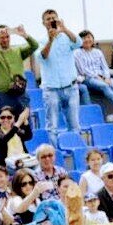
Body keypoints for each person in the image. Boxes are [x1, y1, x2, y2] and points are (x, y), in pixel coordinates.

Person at [36, 9, 81, 138]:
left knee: (75, 125)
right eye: (48, 19)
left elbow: (78, 43)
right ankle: (54, 155)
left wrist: (64, 29)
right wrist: (50, 40)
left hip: (71, 87)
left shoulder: (66, 36)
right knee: (53, 127)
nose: (51, 21)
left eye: (53, 18)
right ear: (43, 23)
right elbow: (42, 56)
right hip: (51, 90)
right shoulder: (41, 41)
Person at [0, 24, 39, 116]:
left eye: (7, 37)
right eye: (2, 37)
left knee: (25, 125)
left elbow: (34, 46)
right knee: (5, 126)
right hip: (3, 95)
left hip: (21, 94)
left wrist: (24, 35)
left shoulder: (18, 50)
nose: (5, 40)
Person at [74, 30, 113, 109]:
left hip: (103, 77)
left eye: (89, 37)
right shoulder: (77, 53)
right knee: (104, 85)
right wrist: (98, 77)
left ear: (93, 39)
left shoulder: (98, 52)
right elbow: (83, 71)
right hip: (88, 78)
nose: (87, 40)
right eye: (83, 38)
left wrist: (106, 77)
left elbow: (105, 67)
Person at [0, 105, 33, 170]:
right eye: (2, 117)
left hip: (23, 161)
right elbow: (4, 139)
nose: (5, 120)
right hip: (7, 165)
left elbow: (28, 136)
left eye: (9, 117)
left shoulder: (17, 130)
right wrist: (19, 122)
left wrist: (25, 121)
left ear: (13, 118)